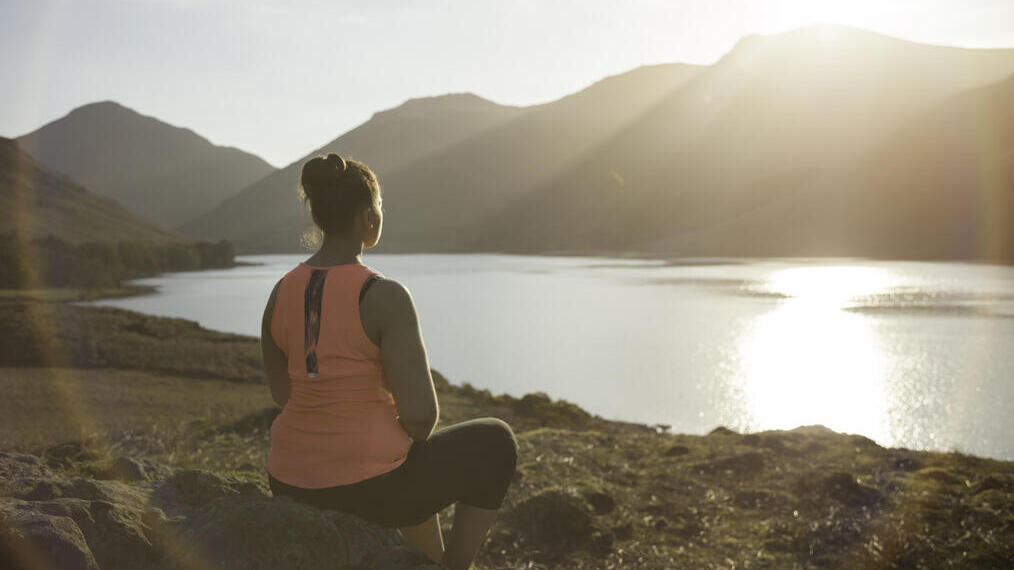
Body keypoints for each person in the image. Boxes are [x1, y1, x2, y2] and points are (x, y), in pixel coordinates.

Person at [260, 153, 518, 570]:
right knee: (496, 440)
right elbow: (421, 420)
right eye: (380, 206)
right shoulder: (383, 295)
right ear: (368, 218)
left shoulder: (280, 292)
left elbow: (282, 394)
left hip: (287, 482)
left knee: (402, 453)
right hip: (368, 489)